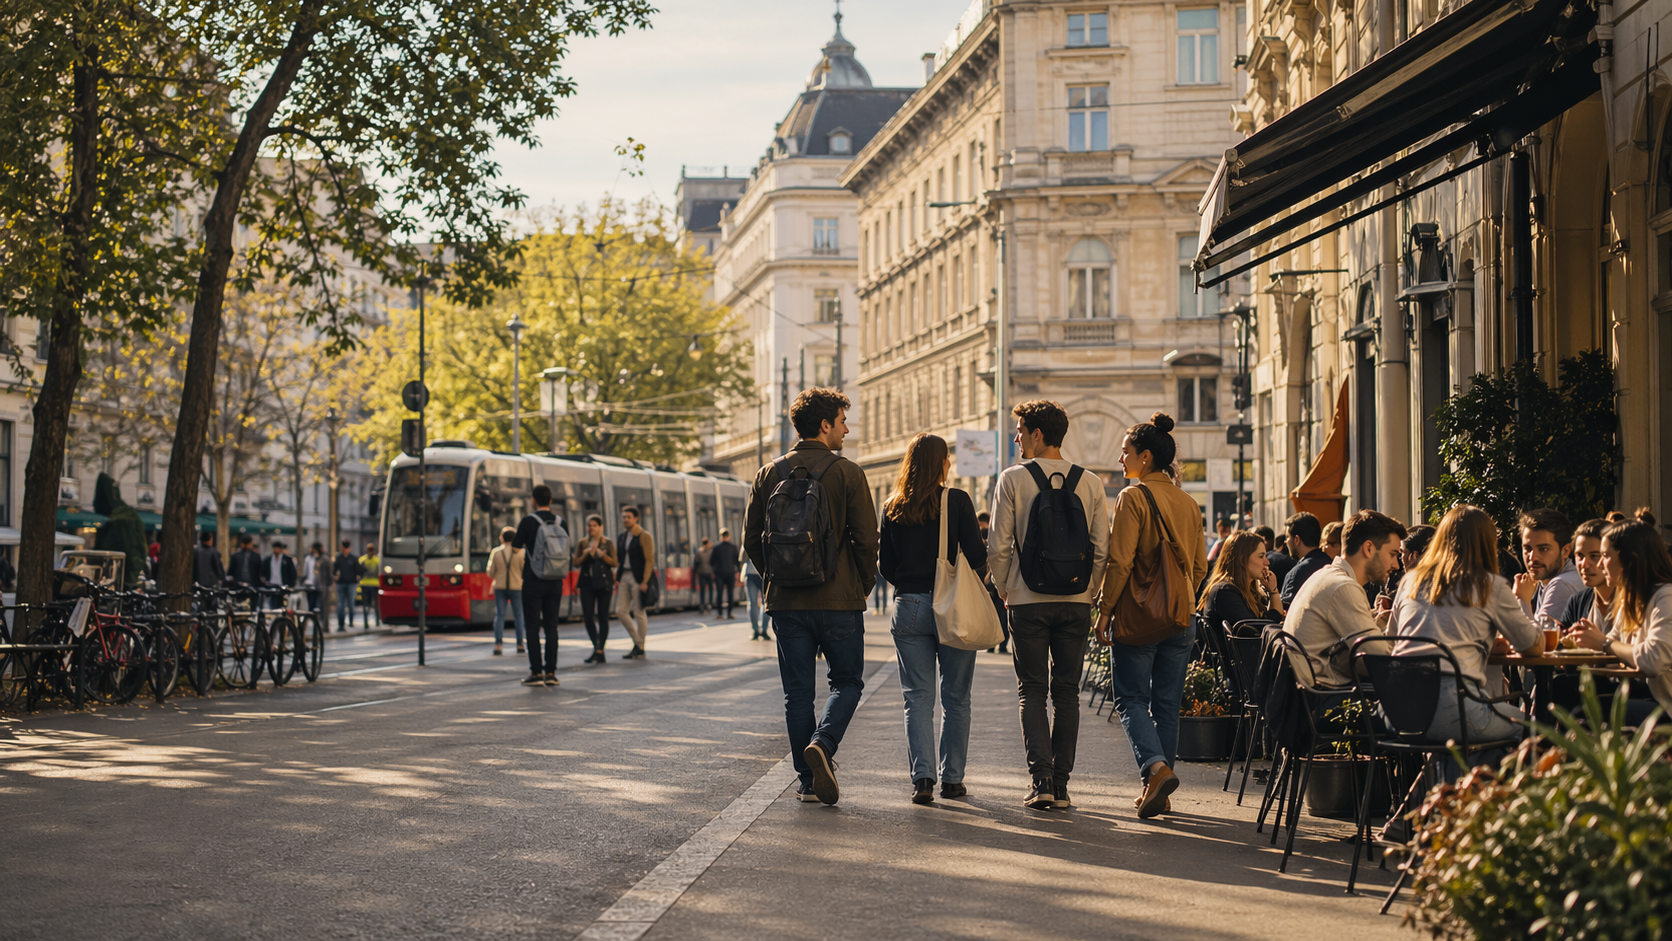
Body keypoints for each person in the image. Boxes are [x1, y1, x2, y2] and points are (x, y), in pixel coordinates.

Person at [743, 387, 878, 806]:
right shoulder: (848, 473)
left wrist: (777, 578)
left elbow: (752, 540)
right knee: (848, 681)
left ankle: (806, 781)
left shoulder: (768, 474)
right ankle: (824, 742)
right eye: (841, 421)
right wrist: (860, 585)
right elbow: (866, 540)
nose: (846, 429)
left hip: (787, 603)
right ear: (824, 425)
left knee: (797, 693)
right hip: (839, 600)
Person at [990, 400, 1109, 811]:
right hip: (1076, 602)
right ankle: (1061, 786)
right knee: (1067, 694)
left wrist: (1005, 588)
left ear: (1038, 434)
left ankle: (1039, 779)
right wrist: (1090, 590)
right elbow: (1101, 548)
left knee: (1032, 692)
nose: (1017, 437)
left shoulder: (1013, 479)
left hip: (1027, 601)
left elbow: (998, 544)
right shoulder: (1091, 482)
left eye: (1021, 430)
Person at [1094, 412, 1206, 818]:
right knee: (1166, 705)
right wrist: (1179, 598)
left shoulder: (1133, 497)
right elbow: (1198, 568)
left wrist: (1105, 611)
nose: (1120, 460)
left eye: (1125, 453)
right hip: (1181, 615)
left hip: (1139, 617)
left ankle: (1156, 770)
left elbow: (1120, 563)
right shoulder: (1189, 503)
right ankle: (1160, 788)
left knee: (1129, 698)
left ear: (1144, 457)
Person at [1389, 505, 1544, 770]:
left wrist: (1476, 646)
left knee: (1466, 731)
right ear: (1489, 544)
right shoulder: (1490, 585)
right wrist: (1523, 601)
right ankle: (1510, 807)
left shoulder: (1410, 581)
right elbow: (1533, 646)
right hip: (1454, 709)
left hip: (1399, 710)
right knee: (1539, 733)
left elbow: (1393, 639)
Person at [879, 433, 987, 805]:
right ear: (942, 463)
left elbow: (886, 566)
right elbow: (975, 554)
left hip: (908, 606)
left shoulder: (892, 505)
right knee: (957, 697)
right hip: (952, 606)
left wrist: (913, 583)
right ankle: (953, 780)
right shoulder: (956, 501)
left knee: (917, 698)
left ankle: (923, 779)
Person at [1284, 509, 1407, 687]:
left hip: (1308, 695)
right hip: (1327, 699)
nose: (1396, 565)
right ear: (1369, 548)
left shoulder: (1327, 575)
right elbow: (1378, 661)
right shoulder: (1343, 587)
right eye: (1393, 555)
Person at [1565, 519, 1672, 723]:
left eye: (1604, 556)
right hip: (1641, 694)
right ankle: (1546, 752)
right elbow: (1612, 647)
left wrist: (1603, 643)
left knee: (1586, 712)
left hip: (1664, 705)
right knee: (1563, 688)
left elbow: (1652, 660)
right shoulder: (1630, 598)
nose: (1599, 565)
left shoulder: (1666, 597)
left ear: (1629, 560)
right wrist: (1586, 641)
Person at [513, 484, 566, 685]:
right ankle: (551, 673)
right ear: (550, 501)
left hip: (533, 580)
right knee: (552, 627)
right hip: (555, 581)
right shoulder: (562, 522)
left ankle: (536, 673)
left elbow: (516, 547)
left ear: (533, 501)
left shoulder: (528, 522)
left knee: (533, 626)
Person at [1199, 530, 1285, 632]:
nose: (1267, 562)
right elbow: (1254, 631)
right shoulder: (1225, 591)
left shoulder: (1249, 590)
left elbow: (1268, 620)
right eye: (1261, 556)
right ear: (1242, 560)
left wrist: (1273, 591)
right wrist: (1278, 622)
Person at [1513, 508, 1582, 632]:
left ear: (1566, 551)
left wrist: (1522, 600)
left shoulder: (1562, 584)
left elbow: (1534, 641)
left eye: (1543, 549)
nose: (1532, 558)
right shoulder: (1543, 579)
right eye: (1527, 548)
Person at [572, 514, 617, 663]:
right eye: (589, 525)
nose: (591, 528)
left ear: (600, 527)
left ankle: (599, 649)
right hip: (587, 583)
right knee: (588, 617)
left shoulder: (608, 543)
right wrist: (585, 554)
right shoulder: (582, 543)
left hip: (604, 584)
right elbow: (576, 562)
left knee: (603, 617)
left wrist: (602, 555)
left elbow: (615, 563)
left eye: (594, 525)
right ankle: (597, 646)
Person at [614, 506, 654, 660]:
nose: (625, 520)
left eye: (628, 517)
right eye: (623, 517)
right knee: (620, 610)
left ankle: (639, 647)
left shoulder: (644, 536)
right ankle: (638, 642)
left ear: (636, 518)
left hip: (638, 577)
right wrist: (617, 578)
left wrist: (645, 580)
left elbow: (649, 559)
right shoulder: (622, 537)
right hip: (624, 575)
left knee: (638, 612)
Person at [1560, 518, 1614, 628]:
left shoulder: (1633, 602)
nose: (1584, 565)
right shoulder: (1577, 602)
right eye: (1580, 556)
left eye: (1594, 556)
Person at [487, 526, 525, 657]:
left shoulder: (496, 552)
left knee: (500, 616)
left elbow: (490, 572)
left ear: (502, 538)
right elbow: (524, 570)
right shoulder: (520, 552)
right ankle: (520, 644)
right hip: (517, 587)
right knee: (519, 616)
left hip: (500, 587)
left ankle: (498, 644)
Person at [976, 510, 1010, 654]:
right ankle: (993, 645)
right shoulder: (991, 532)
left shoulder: (993, 533)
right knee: (994, 615)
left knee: (999, 615)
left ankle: (999, 645)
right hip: (990, 580)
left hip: (994, 579)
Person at [1280, 511, 1329, 608]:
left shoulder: (1297, 574)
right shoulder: (1331, 563)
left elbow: (1286, 612)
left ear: (1297, 539)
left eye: (1288, 537)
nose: (1286, 542)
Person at [711, 529, 740, 620]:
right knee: (730, 593)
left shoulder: (716, 547)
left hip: (719, 573)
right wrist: (737, 571)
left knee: (719, 593)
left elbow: (711, 561)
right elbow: (737, 561)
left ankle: (720, 614)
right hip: (730, 573)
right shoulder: (733, 547)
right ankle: (729, 613)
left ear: (721, 536)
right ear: (728, 536)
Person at [332, 540, 360, 632]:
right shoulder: (339, 558)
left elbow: (358, 570)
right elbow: (334, 571)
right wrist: (335, 578)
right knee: (341, 604)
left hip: (351, 583)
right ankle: (341, 624)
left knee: (351, 603)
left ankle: (351, 621)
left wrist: (357, 578)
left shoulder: (353, 558)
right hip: (341, 583)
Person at [265, 541, 298, 609]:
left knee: (283, 605)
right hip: (272, 585)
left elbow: (292, 573)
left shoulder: (287, 560)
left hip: (283, 586)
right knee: (272, 605)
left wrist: (291, 585)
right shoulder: (268, 560)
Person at [744, 553, 768, 639]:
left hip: (751, 573)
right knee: (765, 603)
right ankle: (764, 630)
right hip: (765, 573)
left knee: (752, 603)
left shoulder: (748, 539)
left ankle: (755, 631)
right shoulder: (768, 538)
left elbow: (741, 558)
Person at [358, 542, 380, 629]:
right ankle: (376, 621)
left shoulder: (362, 560)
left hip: (365, 584)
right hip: (374, 584)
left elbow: (359, 572)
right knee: (375, 604)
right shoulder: (377, 560)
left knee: (366, 604)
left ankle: (366, 621)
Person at [301, 543, 325, 613]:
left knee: (318, 606)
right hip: (310, 584)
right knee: (311, 605)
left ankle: (317, 621)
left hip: (319, 585)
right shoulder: (308, 559)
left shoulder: (322, 559)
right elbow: (305, 572)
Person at [694, 538, 715, 613]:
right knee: (710, 590)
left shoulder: (699, 552)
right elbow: (713, 562)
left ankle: (702, 606)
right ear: (707, 543)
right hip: (709, 573)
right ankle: (709, 604)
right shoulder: (710, 552)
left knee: (702, 591)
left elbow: (696, 563)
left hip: (702, 573)